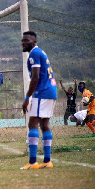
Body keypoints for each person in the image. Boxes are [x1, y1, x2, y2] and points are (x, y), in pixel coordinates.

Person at [21, 31, 57, 170]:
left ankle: (32, 162)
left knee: (33, 123)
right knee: (44, 123)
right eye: (22, 40)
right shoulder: (41, 52)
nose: (24, 43)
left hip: (42, 91)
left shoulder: (34, 54)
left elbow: (35, 78)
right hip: (50, 90)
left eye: (27, 40)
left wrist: (26, 98)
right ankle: (47, 161)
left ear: (34, 42)